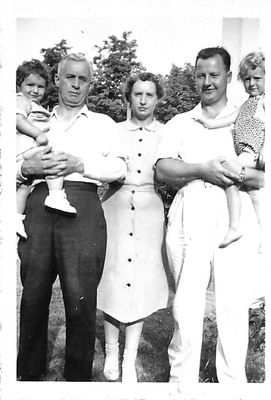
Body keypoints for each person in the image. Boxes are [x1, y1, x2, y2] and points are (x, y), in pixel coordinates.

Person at [155, 47, 265, 385]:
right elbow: (162, 168)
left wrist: (242, 176)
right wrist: (202, 169)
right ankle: (181, 382)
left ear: (228, 77)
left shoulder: (252, 115)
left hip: (237, 211)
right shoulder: (180, 122)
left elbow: (264, 173)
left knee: (232, 306)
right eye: (201, 75)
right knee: (186, 306)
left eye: (214, 75)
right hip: (193, 210)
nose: (207, 81)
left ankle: (233, 384)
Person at [17, 53, 128, 381]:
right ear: (57, 80)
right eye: (69, 78)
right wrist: (26, 168)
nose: (76, 84)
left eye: (83, 79)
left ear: (90, 84)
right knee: (34, 294)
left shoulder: (103, 124)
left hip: (82, 207)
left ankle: (77, 379)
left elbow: (119, 168)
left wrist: (80, 165)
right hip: (38, 205)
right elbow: (8, 158)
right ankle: (28, 374)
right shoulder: (33, 117)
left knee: (80, 300)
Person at [97, 72, 169, 383]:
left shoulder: (166, 133)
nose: (142, 100)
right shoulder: (113, 131)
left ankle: (130, 359)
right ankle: (111, 352)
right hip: (114, 206)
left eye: (149, 95)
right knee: (112, 278)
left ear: (157, 99)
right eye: (137, 94)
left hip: (149, 210)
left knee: (139, 280)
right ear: (129, 97)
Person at [194, 52, 265, 249]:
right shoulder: (247, 104)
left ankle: (235, 226)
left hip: (252, 150)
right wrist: (209, 124)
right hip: (244, 150)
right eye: (247, 79)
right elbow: (231, 118)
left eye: (257, 78)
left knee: (229, 173)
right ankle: (265, 235)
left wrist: (266, 150)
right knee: (255, 195)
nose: (251, 84)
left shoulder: (266, 102)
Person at [16, 60, 76, 240]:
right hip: (26, 146)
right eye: (30, 85)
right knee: (54, 159)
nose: (35, 90)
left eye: (40, 87)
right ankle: (56, 195)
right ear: (19, 84)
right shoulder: (21, 100)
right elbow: (18, 120)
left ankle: (16, 217)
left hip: (26, 150)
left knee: (25, 187)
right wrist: (37, 135)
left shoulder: (37, 106)